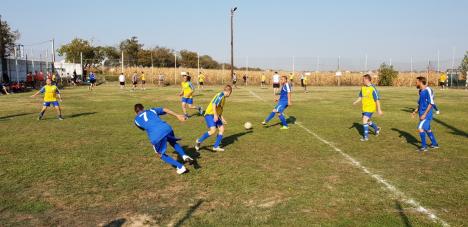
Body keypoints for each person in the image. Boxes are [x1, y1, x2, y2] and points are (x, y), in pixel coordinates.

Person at [134, 103, 193, 175]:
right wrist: (177, 115)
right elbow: (164, 109)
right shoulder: (151, 110)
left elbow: (143, 128)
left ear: (136, 112)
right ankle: (184, 155)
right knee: (173, 142)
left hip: (156, 135)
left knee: (160, 154)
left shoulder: (136, 120)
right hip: (167, 128)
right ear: (143, 108)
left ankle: (180, 167)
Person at [195, 85, 233, 152]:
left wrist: (222, 118)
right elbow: (214, 104)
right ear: (228, 91)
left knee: (221, 129)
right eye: (230, 92)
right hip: (209, 114)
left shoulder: (223, 98)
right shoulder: (220, 95)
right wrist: (215, 115)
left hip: (215, 114)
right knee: (213, 130)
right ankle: (199, 140)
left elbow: (219, 109)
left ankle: (215, 146)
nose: (230, 94)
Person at [412, 76, 439, 152]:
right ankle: (435, 144)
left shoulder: (428, 90)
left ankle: (424, 147)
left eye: (416, 82)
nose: (415, 83)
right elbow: (420, 103)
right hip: (422, 114)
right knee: (427, 129)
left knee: (420, 128)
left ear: (420, 82)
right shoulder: (420, 91)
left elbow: (431, 103)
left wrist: (424, 114)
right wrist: (415, 111)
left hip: (426, 115)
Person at [353, 74, 383, 141]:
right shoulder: (363, 88)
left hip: (371, 108)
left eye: (363, 79)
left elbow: (377, 99)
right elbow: (360, 96)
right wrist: (355, 101)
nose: (362, 81)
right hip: (364, 108)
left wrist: (379, 109)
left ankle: (365, 137)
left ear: (367, 80)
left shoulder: (373, 88)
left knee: (364, 120)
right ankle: (376, 128)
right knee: (367, 121)